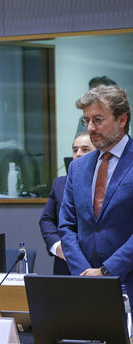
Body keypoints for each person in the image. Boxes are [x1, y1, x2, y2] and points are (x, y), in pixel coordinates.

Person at [60, 85, 133, 286]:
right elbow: (67, 226)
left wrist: (106, 271)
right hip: (84, 285)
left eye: (98, 120)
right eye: (87, 120)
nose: (90, 128)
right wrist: (84, 273)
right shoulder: (78, 167)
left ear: (121, 119)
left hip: (127, 281)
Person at [39, 132, 94, 275]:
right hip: (64, 265)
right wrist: (57, 246)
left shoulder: (104, 182)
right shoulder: (60, 183)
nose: (78, 154)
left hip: (94, 264)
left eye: (85, 149)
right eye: (75, 150)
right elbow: (46, 220)